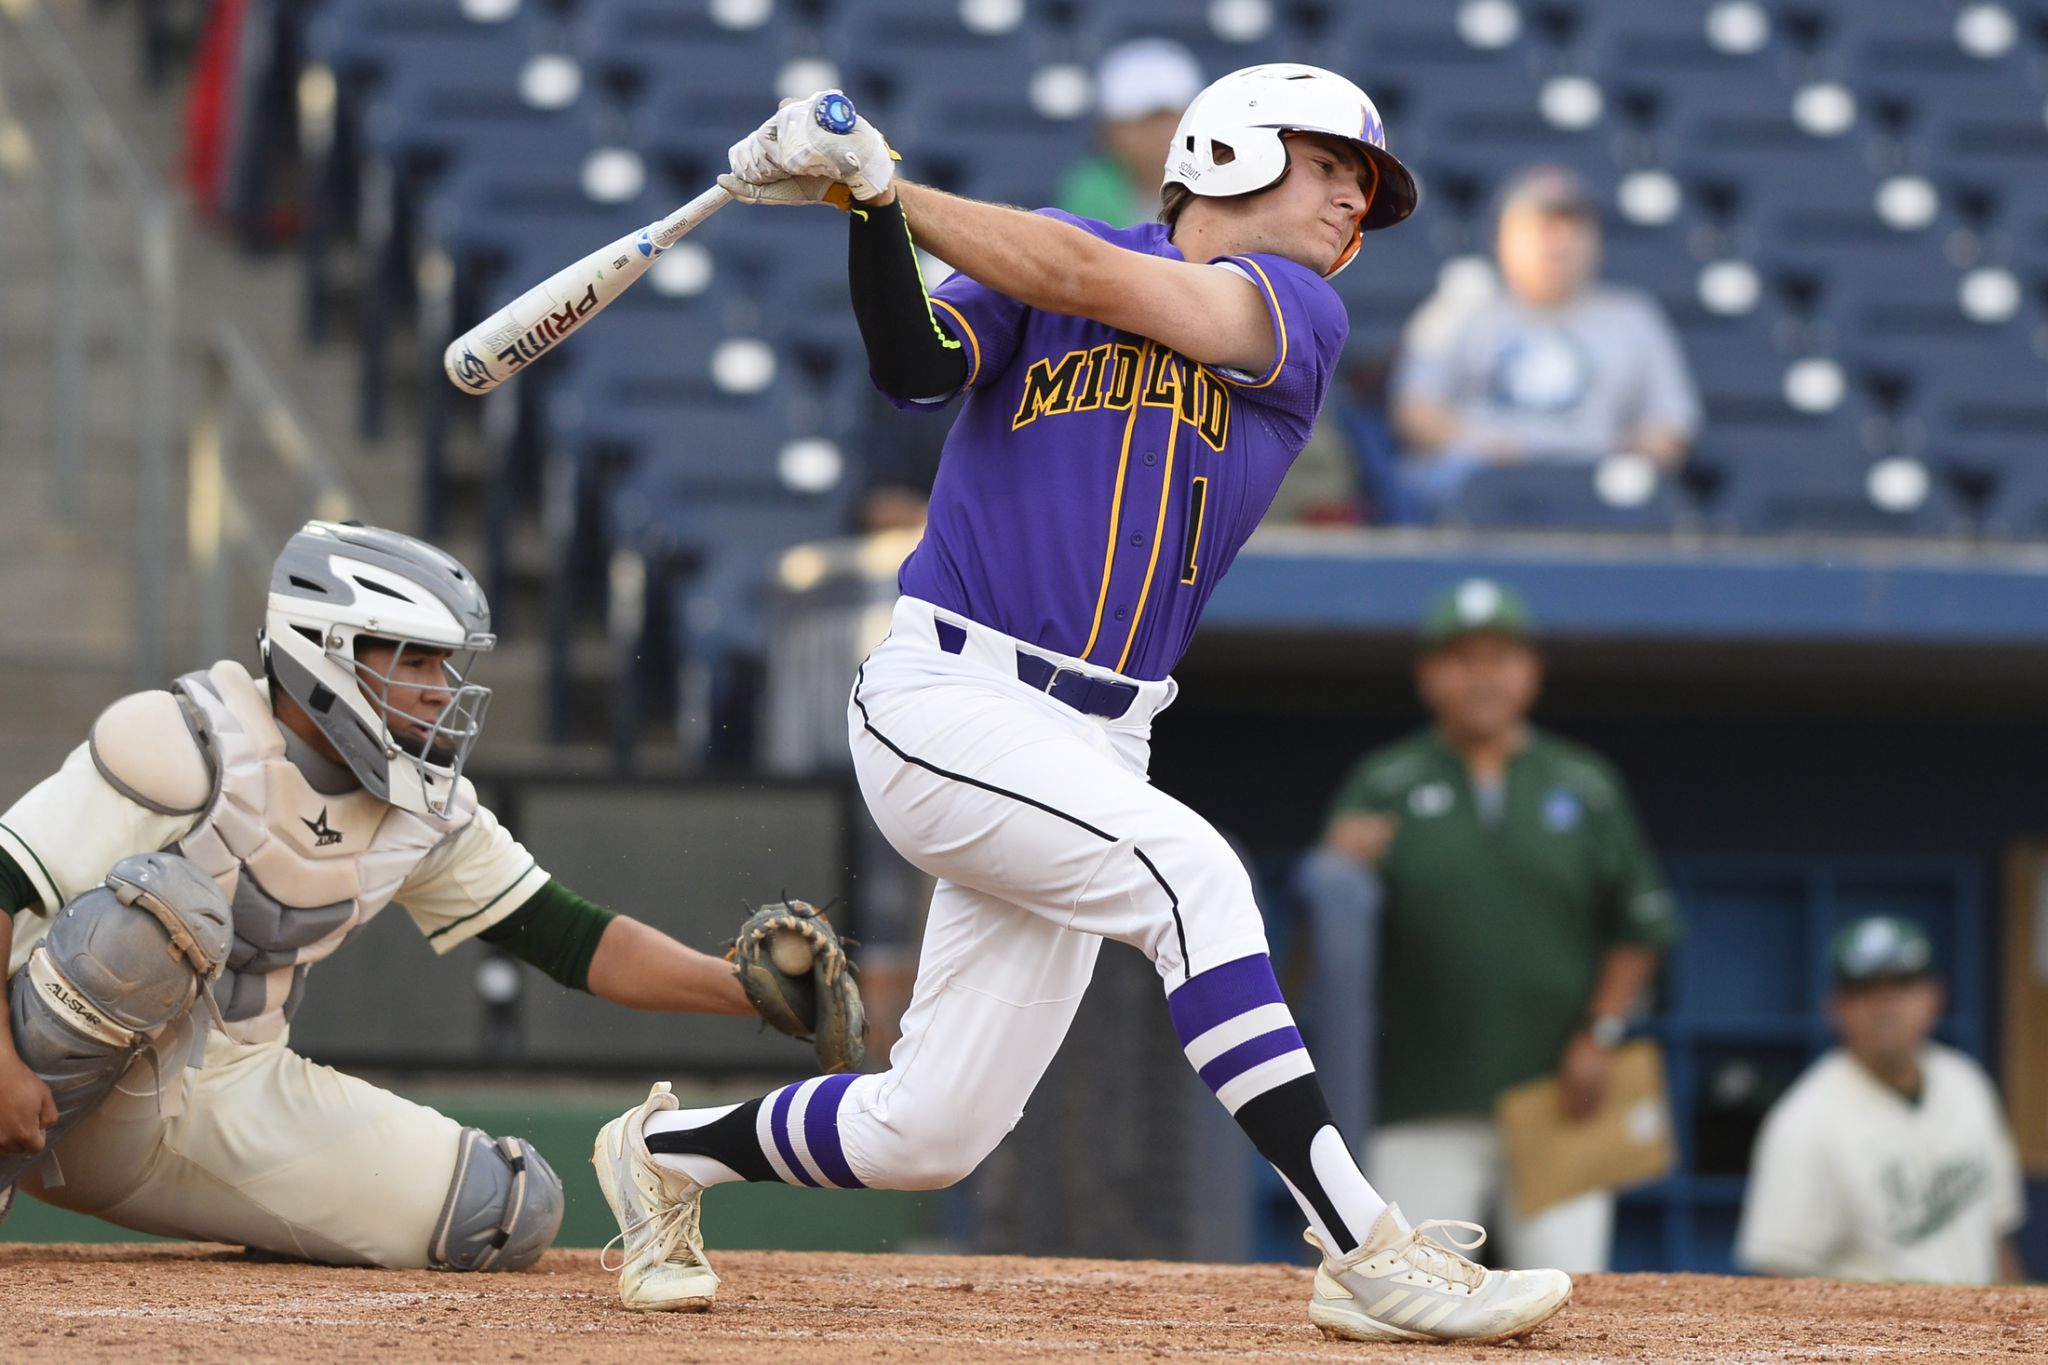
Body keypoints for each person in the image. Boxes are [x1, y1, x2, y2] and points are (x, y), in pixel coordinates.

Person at [589, 65, 1576, 1345]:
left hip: (1098, 732)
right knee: (1195, 877)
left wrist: (879, 186)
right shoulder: (1035, 263)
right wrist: (869, 219)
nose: (1352, 203)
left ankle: (662, 1156)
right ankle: (1359, 1246)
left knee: (928, 1130)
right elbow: (913, 365)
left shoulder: (1294, 312)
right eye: (1331, 166)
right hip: (944, 695)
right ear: (1227, 153)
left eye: (1366, 187)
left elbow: (1097, 283)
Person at [0, 520, 858, 1269]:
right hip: (38, 1075)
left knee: (505, 1212)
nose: (442, 689)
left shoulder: (422, 806)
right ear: (322, 649)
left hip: (216, 1096)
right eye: (414, 658)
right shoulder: (184, 741)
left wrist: (745, 990)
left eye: (445, 663)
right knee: (160, 915)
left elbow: (570, 937)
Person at [1299, 578, 1679, 1273]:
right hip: (1421, 1098)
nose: (1482, 676)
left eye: (1500, 656)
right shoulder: (1385, 781)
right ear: (1428, 674)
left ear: (1530, 671)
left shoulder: (1584, 782)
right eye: (1462, 658)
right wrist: (1339, 867)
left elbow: (1640, 924)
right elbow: (1321, 941)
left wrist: (1600, 1032)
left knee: (1569, 1296)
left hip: (1558, 1101)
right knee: (1414, 1297)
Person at [1391, 163, 1701, 515]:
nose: (1557, 243)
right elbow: (1414, 413)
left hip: (1592, 482)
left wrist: (1622, 454)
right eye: (1538, 226)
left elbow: (1672, 427)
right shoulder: (1461, 307)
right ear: (1501, 237)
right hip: (1483, 474)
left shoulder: (1633, 317)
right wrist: (1484, 446)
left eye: (1573, 227)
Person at [1736, 916, 2027, 1284]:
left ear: (1934, 997)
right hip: (1875, 1338)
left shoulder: (1967, 1083)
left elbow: (1994, 1237)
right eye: (1866, 991)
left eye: (1902, 986)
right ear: (1835, 1008)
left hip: (1978, 1335)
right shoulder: (1803, 1121)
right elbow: (1778, 1274)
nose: (1886, 1005)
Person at [1054, 38, 1205, 230]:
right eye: (1143, 120)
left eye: (1171, 117)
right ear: (1110, 130)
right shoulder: (1088, 190)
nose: (1160, 132)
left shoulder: (1224, 185)